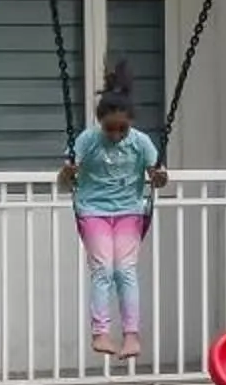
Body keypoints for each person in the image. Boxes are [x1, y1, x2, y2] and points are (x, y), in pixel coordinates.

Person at [55, 66, 166, 361]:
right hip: (93, 211)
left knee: (125, 270)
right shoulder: (87, 141)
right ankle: (100, 333)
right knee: (103, 268)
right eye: (110, 128)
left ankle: (131, 336)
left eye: (122, 128)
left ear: (131, 123)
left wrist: (159, 178)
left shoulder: (141, 142)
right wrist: (68, 172)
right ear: (99, 122)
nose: (116, 134)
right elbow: (64, 181)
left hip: (130, 211)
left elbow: (159, 175)